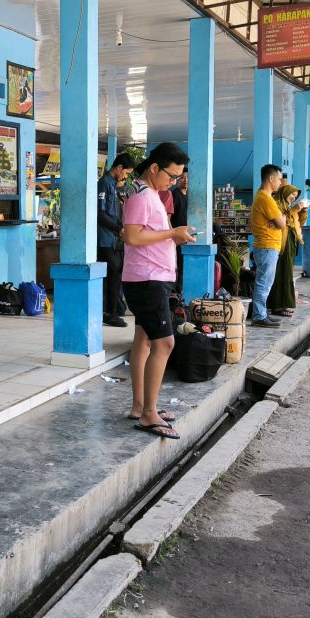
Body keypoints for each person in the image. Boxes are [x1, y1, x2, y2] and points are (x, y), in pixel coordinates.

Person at [121, 143, 196, 440]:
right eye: (171, 175)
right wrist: (172, 233)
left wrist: (173, 239)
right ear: (155, 167)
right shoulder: (141, 196)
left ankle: (140, 406)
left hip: (151, 278)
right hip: (146, 281)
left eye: (177, 177)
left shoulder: (151, 194)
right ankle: (149, 414)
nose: (173, 181)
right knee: (165, 344)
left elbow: (147, 235)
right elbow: (132, 236)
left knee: (144, 342)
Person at [99, 154, 136, 327]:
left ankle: (112, 311)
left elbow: (113, 214)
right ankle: (110, 312)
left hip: (113, 238)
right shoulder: (104, 184)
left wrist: (122, 226)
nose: (126, 177)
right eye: (126, 173)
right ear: (119, 167)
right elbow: (100, 214)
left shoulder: (113, 186)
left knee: (116, 273)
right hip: (104, 239)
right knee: (116, 269)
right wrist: (118, 229)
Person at [249, 164, 287, 328]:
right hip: (267, 246)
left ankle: (261, 313)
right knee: (263, 282)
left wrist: (280, 219)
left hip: (267, 246)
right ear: (271, 179)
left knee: (265, 282)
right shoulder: (265, 198)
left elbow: (278, 223)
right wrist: (283, 217)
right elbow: (281, 223)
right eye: (279, 179)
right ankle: (259, 316)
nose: (280, 182)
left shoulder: (263, 197)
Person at [268, 184, 309, 317]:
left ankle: (283, 303)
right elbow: (281, 221)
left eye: (295, 196)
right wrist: (294, 210)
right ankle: (278, 305)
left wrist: (303, 212)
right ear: (285, 193)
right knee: (282, 273)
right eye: (292, 194)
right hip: (280, 242)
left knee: (287, 273)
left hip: (291, 241)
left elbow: (298, 223)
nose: (293, 197)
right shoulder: (276, 205)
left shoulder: (287, 206)